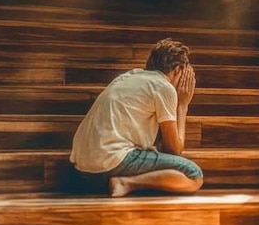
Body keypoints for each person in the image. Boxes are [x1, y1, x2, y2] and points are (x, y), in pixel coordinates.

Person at [69, 38, 203, 197]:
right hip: (112, 161)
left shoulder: (128, 76)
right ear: (178, 71)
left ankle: (125, 181)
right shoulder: (164, 86)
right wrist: (182, 106)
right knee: (193, 175)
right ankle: (127, 183)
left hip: (82, 168)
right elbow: (174, 150)